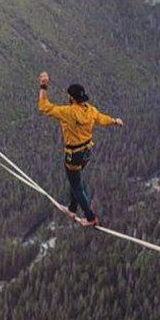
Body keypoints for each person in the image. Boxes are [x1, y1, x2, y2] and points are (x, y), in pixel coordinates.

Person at [37, 71, 123, 227]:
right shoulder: (90, 110)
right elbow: (102, 119)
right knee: (75, 180)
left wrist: (43, 86)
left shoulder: (68, 112)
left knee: (77, 186)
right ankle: (72, 208)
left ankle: (91, 217)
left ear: (72, 98)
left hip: (73, 154)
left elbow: (43, 107)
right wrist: (115, 121)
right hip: (86, 152)